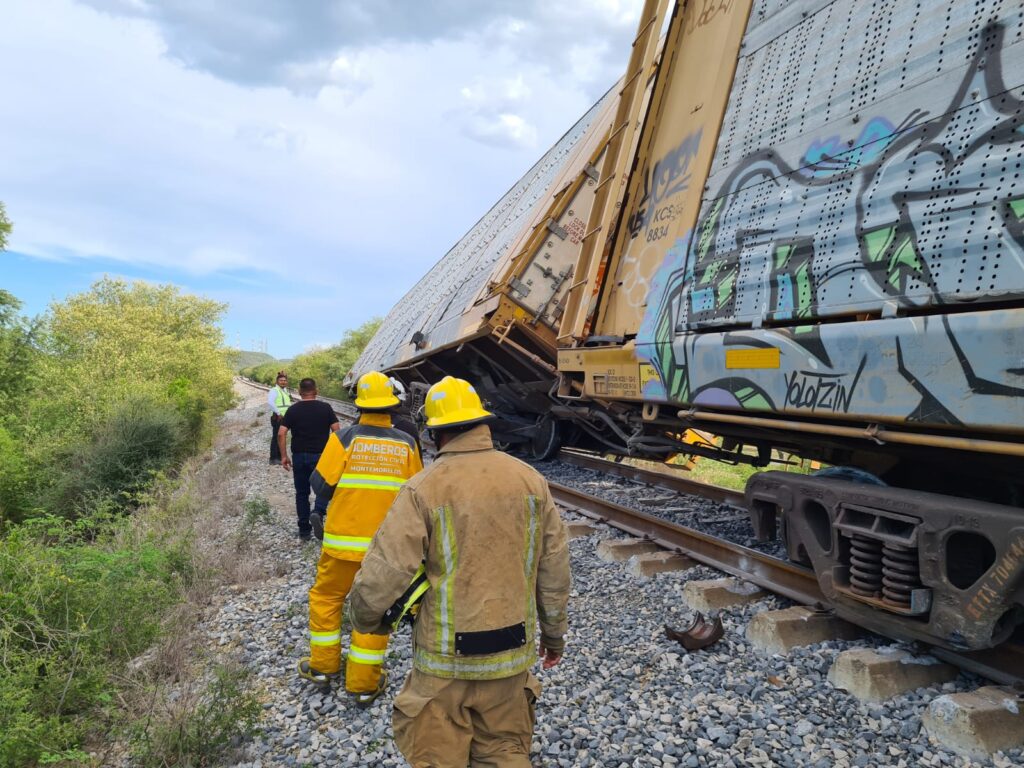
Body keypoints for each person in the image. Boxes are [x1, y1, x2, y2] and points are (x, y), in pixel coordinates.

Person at [348, 376, 571, 766]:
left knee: (438, 755)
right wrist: (554, 635)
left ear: (435, 435)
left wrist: (365, 618)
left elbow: (388, 568)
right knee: (505, 751)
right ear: (482, 425)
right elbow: (554, 568)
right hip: (510, 659)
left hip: (445, 667)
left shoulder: (424, 488)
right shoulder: (531, 481)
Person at [297, 371, 423, 706]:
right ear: (393, 405)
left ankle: (323, 668)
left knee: (326, 599)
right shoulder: (407, 444)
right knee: (375, 611)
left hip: (341, 544)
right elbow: (418, 494)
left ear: (360, 405)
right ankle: (363, 684)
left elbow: (320, 485)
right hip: (385, 550)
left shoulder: (345, 439)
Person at [277, 377, 340, 540]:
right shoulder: (325, 408)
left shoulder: (293, 410)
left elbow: (281, 433)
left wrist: (284, 456)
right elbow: (337, 431)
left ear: (299, 392)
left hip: (299, 456)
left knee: (302, 493)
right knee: (324, 488)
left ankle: (304, 530)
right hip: (321, 456)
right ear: (316, 391)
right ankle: (318, 511)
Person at [267, 372, 291, 465]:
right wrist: (278, 413)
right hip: (278, 417)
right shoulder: (274, 390)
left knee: (281, 437)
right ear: (277, 381)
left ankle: (280, 457)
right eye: (281, 380)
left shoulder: (284, 391)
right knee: (277, 437)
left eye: (285, 380)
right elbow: (270, 402)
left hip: (285, 417)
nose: (283, 382)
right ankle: (273, 458)